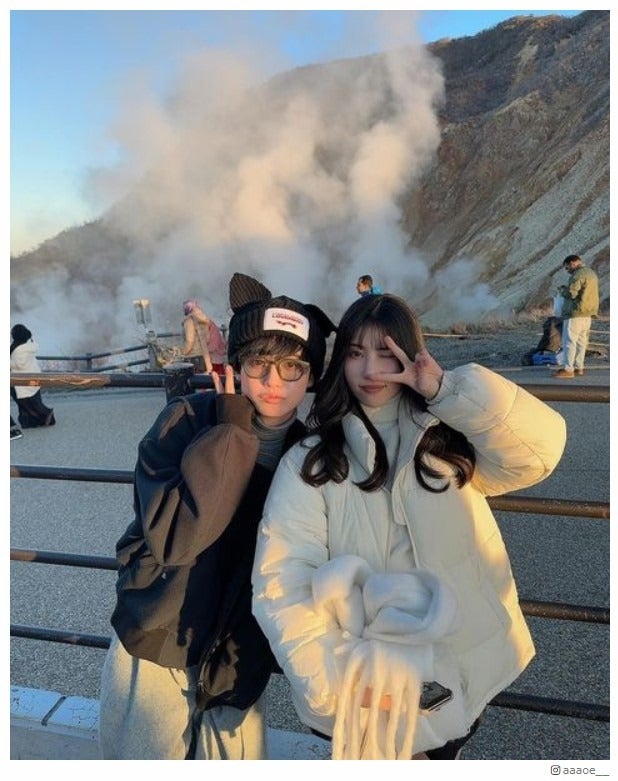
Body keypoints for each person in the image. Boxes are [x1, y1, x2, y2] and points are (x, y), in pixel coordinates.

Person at [252, 292, 567, 760]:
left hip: (465, 670)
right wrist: (342, 691)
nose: (371, 370)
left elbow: (539, 451)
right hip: (369, 697)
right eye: (355, 353)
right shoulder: (313, 461)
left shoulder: (449, 435)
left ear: (411, 353)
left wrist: (444, 390)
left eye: (386, 352)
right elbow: (284, 580)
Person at [98, 272, 335, 759]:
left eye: (292, 367)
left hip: (238, 657)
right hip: (157, 635)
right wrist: (231, 434)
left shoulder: (311, 458)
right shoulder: (186, 421)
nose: (273, 381)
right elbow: (175, 540)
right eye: (259, 363)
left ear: (312, 376)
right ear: (237, 365)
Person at [552, 254, 599, 378]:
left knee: (569, 341)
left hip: (575, 313)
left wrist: (563, 290)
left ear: (572, 263)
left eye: (567, 268)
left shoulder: (578, 275)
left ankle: (568, 369)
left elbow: (571, 294)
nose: (567, 271)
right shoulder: (591, 273)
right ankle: (579, 367)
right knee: (581, 342)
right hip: (588, 314)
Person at [10, 324, 56, 428]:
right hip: (31, 376)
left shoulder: (20, 350)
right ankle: (30, 421)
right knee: (31, 402)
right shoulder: (28, 344)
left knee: (29, 403)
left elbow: (19, 364)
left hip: (23, 380)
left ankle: (45, 417)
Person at [181, 299, 227, 375]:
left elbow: (189, 340)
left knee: (193, 379)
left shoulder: (189, 321)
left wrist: (183, 352)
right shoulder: (203, 320)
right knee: (203, 378)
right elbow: (208, 338)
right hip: (204, 356)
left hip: (193, 356)